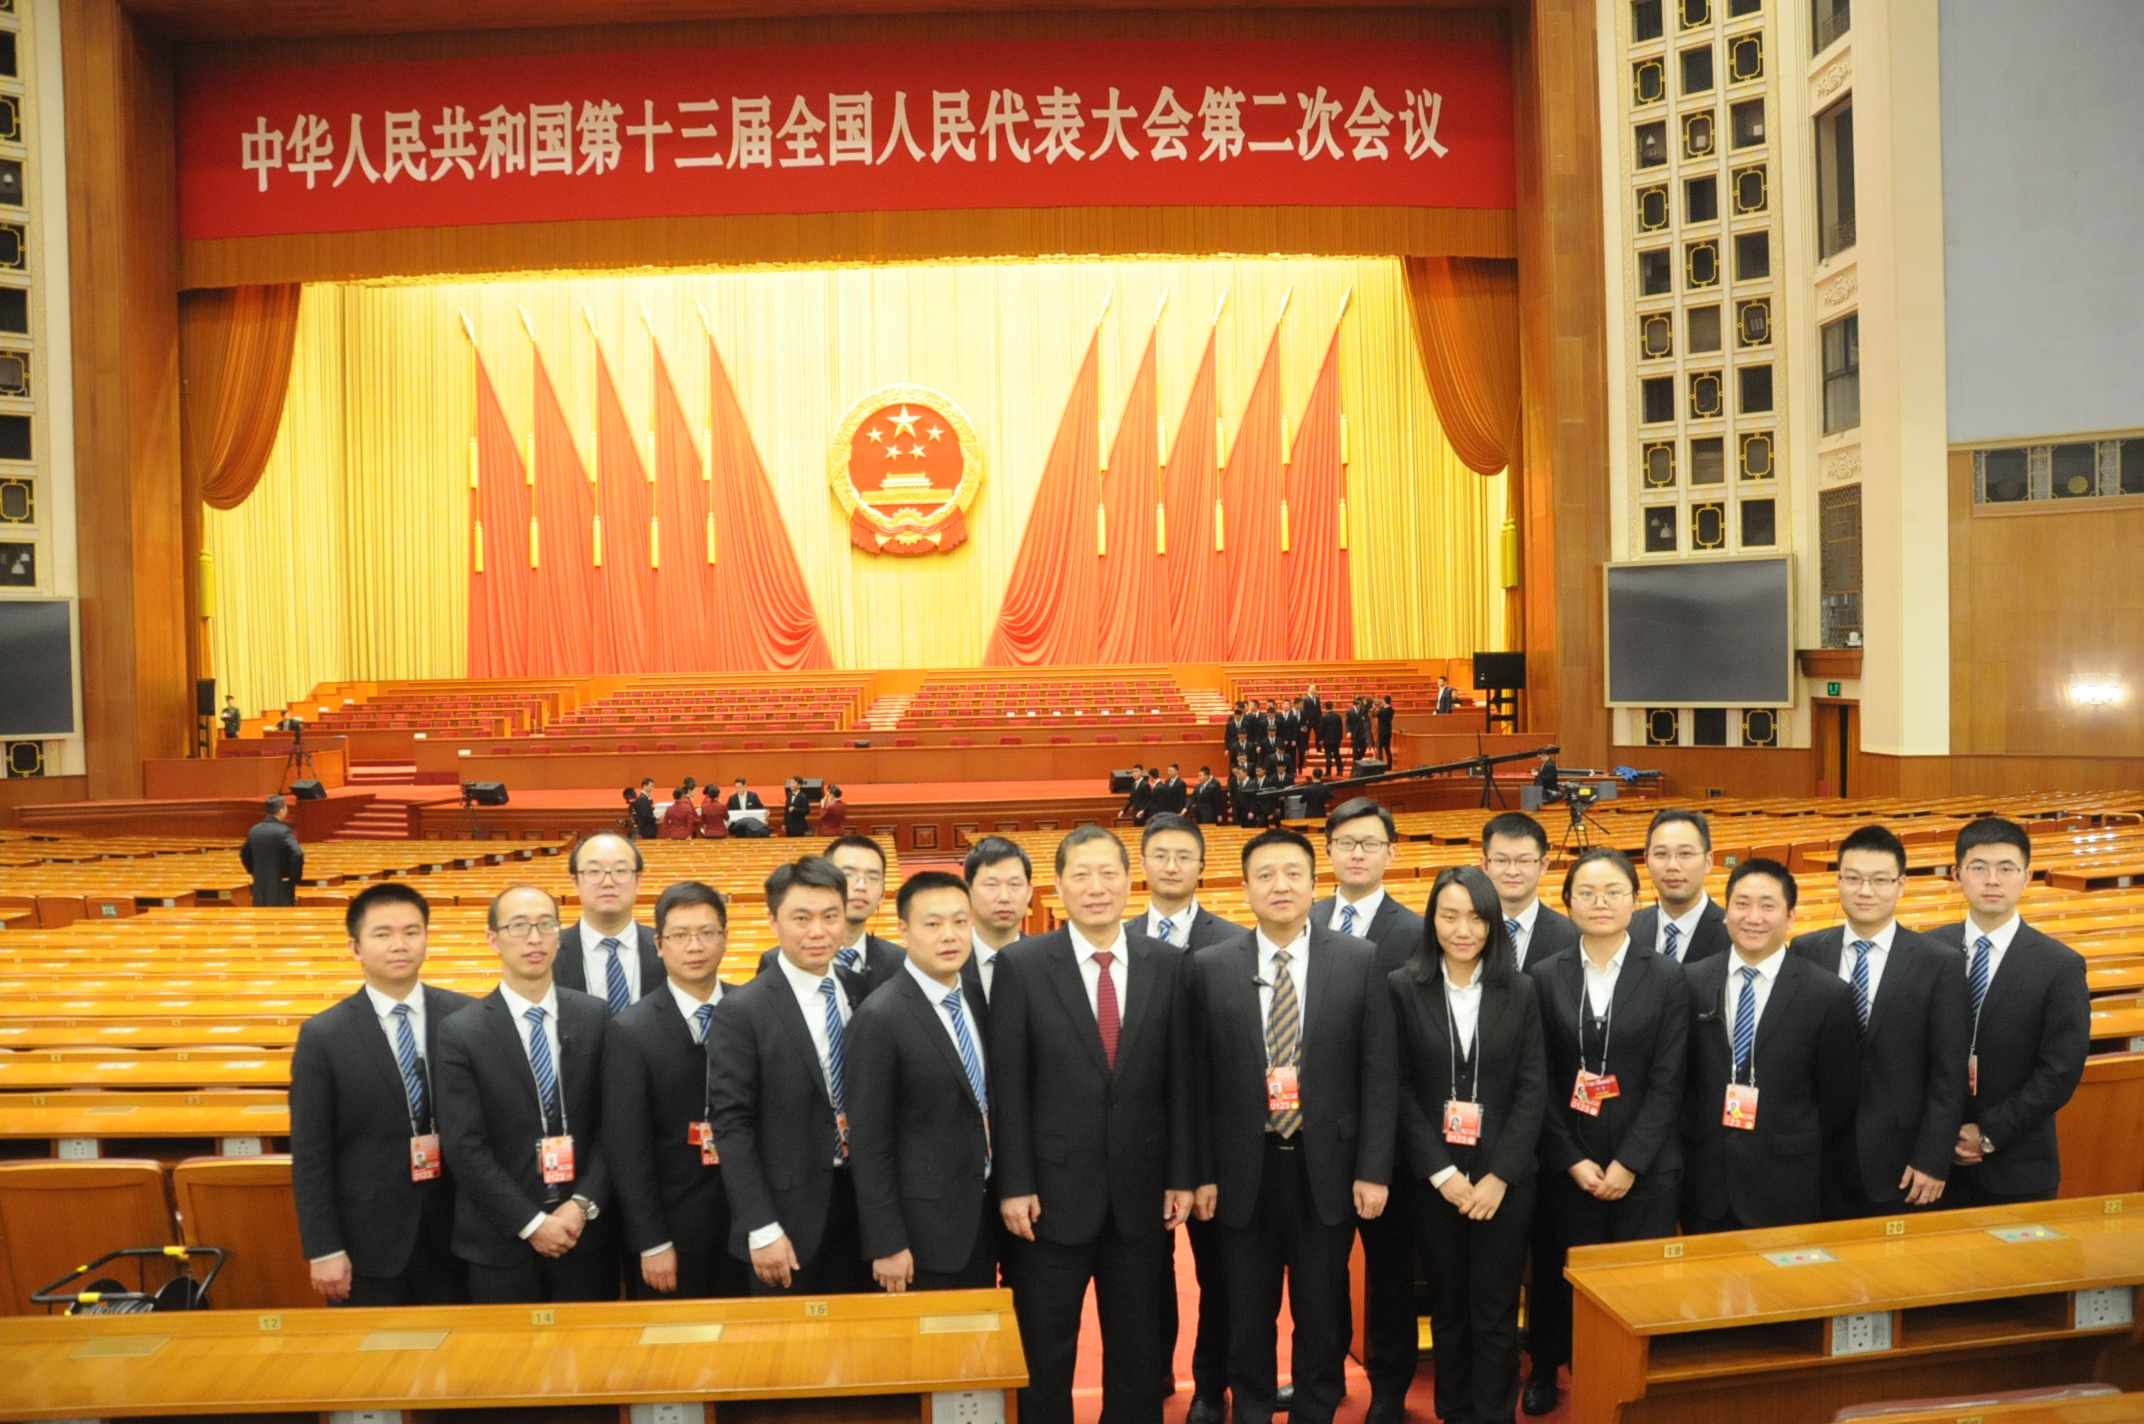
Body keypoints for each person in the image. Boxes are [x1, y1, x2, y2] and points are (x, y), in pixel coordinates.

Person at [1187, 827, 1395, 1424]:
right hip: (1241, 1172)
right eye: (1265, 875)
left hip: (1326, 1168)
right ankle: (1251, 1409)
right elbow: (1195, 1084)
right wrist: (1201, 1173)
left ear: (1314, 882)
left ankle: (1315, 1410)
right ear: (1245, 888)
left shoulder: (1358, 959)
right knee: (1246, 1313)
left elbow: (1379, 1075)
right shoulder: (1210, 967)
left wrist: (1373, 1170)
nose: (1280, 886)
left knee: (1321, 1311)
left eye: (1293, 874)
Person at [990, 826, 1196, 1424]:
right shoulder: (1023, 965)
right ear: (1057, 887)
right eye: (1080, 875)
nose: (1096, 887)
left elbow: (1181, 1081)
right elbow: (1009, 1087)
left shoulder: (1168, 964)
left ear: (1130, 881)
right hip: (1049, 1200)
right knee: (1045, 1352)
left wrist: (1181, 1175)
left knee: (1138, 1353)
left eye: (1108, 873)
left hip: (1141, 1195)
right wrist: (1015, 1184)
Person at [1523, 849, 1687, 1416]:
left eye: (1614, 892)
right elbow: (1539, 1080)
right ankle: (1547, 1367)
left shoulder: (1666, 976)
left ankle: (1635, 1385)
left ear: (1636, 902)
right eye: (1587, 893)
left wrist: (1630, 1162)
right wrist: (1570, 1158)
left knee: (1639, 1283)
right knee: (1559, 1274)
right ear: (1567, 903)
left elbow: (1669, 1079)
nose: (1600, 902)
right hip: (1569, 1160)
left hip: (1646, 1164)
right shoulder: (1544, 976)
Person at [1392, 867, 1546, 1424]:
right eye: (1449, 916)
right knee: (1449, 1304)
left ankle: (1494, 1414)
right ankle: (1455, 1410)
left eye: (1477, 918)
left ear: (1493, 924)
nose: (1463, 930)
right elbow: (1399, 1089)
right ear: (1431, 920)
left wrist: (1500, 1176)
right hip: (1436, 1182)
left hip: (1506, 1181)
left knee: (1497, 1308)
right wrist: (1441, 1174)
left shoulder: (1520, 989)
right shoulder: (1403, 988)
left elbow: (1532, 1089)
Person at [292, 883, 477, 1307]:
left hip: (461, 1230)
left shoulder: (467, 1016)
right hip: (369, 1239)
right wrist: (324, 1248)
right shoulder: (324, 1035)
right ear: (355, 947)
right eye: (383, 934)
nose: (400, 944)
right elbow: (311, 1154)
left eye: (412, 932)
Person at [434, 884, 616, 1303]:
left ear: (559, 936)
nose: (535, 938)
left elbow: (614, 1125)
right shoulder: (461, 1032)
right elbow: (464, 1146)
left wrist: (582, 1203)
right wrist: (532, 1223)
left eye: (546, 924)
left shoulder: (594, 1016)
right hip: (500, 1241)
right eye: (519, 926)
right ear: (493, 939)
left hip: (584, 1234)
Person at [1312, 797, 1428, 1421]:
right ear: (1328, 850)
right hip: (1317, 1130)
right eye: (1346, 843)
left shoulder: (1416, 931)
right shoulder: (1303, 918)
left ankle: (1389, 1387)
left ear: (1390, 852)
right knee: (1321, 1271)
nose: (1358, 854)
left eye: (1370, 844)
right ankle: (1323, 1377)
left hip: (1392, 1131)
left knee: (1389, 1272)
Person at [707, 858, 872, 1294]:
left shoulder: (862, 990)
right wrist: (760, 1228)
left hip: (862, 1206)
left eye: (830, 916)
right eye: (801, 919)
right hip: (786, 1217)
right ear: (773, 921)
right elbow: (731, 1126)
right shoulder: (742, 1010)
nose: (818, 932)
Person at [1789, 824, 1969, 1217]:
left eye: (1879, 880)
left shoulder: (1939, 963)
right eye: (1853, 878)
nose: (1865, 891)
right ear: (1839, 881)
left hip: (1900, 1157)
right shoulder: (1807, 950)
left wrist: (1933, 1158)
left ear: (1901, 885)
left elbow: (1949, 1073)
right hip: (1816, 1154)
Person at [1680, 859, 1860, 1233]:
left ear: (1791, 916)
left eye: (1768, 905)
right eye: (1742, 904)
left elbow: (1838, 1101)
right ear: (1726, 912)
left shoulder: (1827, 993)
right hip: (1705, 1181)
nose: (1753, 917)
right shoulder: (1690, 982)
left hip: (1786, 1183)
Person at [1129, 812, 1237, 1417]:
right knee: (1147, 1270)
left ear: (1202, 866)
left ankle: (1211, 1385)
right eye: (1161, 855)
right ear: (1142, 864)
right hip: (1142, 1140)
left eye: (1183, 856)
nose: (1172, 866)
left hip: (1215, 1140)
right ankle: (1152, 1372)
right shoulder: (1115, 937)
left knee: (1218, 1274)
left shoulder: (1234, 939)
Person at [850, 871, 999, 1292]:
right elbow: (869, 1142)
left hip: (982, 1212)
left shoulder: (975, 995)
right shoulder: (879, 1017)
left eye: (960, 921)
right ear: (903, 930)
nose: (949, 935)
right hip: (920, 1231)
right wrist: (887, 1242)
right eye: (932, 924)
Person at [1929, 818, 2091, 1206]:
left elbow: (2060, 1071)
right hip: (1930, 1162)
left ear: (2027, 876)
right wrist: (1938, 1133)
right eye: (1978, 867)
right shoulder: (1926, 950)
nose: (1992, 880)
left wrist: (1988, 1134)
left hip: (2017, 1163)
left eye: (2006, 868)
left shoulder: (2059, 965)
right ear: (1957, 874)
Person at [600, 881, 744, 1300]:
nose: (694, 946)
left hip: (749, 1223)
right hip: (674, 1230)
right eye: (680, 935)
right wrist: (651, 1241)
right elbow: (627, 1148)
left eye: (707, 933)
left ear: (725, 938)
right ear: (659, 945)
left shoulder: (751, 1011)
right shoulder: (630, 1030)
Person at [754, 834, 904, 993]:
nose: (861, 886)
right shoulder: (776, 961)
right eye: (848, 875)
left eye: (872, 877)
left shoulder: (900, 961)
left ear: (883, 894)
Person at [555, 831, 661, 1011]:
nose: (607, 882)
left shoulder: (668, 948)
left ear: (638, 880)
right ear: (575, 882)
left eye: (620, 871)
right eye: (594, 871)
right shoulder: (548, 952)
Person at [1481, 813, 1581, 974]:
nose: (1512, 871)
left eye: (1524, 861)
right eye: (1501, 860)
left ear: (1543, 865)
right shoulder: (1466, 931)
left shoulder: (1571, 935)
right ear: (1485, 865)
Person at [1631, 809, 1730, 967]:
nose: (1672, 866)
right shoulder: (1629, 928)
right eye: (1661, 854)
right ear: (1646, 861)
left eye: (1685, 853)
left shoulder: (1733, 934)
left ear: (1708, 861)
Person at [963, 835, 1033, 1014]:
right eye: (991, 885)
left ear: (1029, 892)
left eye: (1014, 884)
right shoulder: (947, 963)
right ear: (968, 891)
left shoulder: (1045, 964)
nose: (1004, 897)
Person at [242, 795, 305, 907]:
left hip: (260, 887)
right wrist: (293, 877)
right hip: (281, 888)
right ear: (281, 811)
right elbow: (297, 854)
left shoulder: (254, 830)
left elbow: (244, 854)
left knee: (261, 916)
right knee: (282, 917)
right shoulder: (284, 831)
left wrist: (254, 871)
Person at [1318, 703, 1344, 775]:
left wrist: (1320, 739)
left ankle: (1328, 772)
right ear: (1332, 707)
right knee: (1337, 755)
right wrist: (1340, 738)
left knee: (1328, 756)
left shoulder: (1323, 717)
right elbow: (1340, 728)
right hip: (1336, 739)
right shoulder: (1337, 716)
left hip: (1327, 739)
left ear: (1325, 707)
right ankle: (1340, 771)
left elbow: (1321, 729)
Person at [1375, 695, 1395, 765]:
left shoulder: (1382, 711)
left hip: (1382, 732)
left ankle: (1380, 764)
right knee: (1387, 748)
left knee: (1380, 748)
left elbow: (1375, 714)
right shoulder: (1392, 710)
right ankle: (1389, 764)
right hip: (1388, 731)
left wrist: (1376, 708)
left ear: (1384, 701)